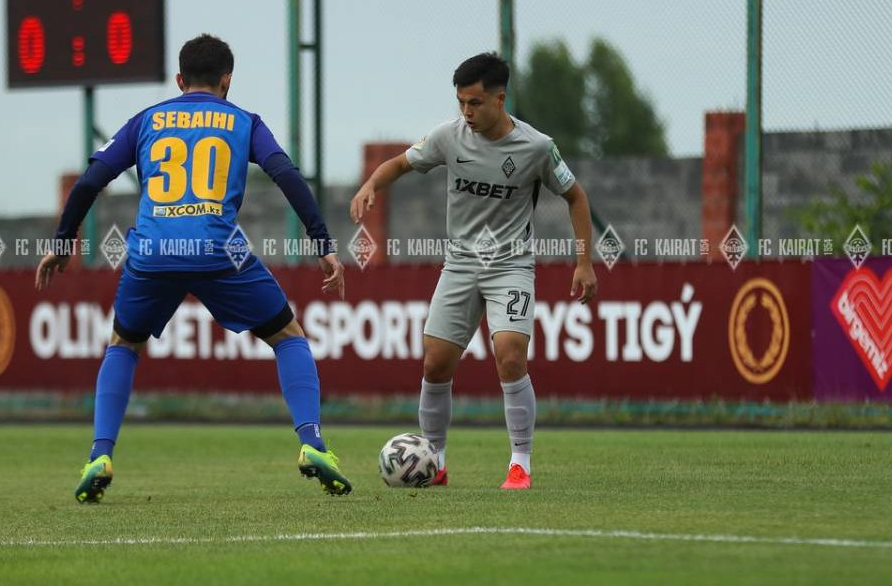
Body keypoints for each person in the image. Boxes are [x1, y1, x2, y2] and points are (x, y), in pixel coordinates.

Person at [36, 34, 352, 502]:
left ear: (180, 79)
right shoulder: (244, 121)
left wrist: (63, 242)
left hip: (152, 252)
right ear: (227, 80)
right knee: (288, 337)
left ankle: (100, 454)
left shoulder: (147, 120)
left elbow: (89, 182)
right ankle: (312, 443)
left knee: (123, 344)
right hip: (220, 249)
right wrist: (323, 243)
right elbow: (287, 175)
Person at [350, 53, 598, 490]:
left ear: (500, 99)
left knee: (509, 356)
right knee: (436, 363)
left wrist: (583, 261)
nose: (466, 112)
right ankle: (436, 461)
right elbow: (401, 164)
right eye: (461, 102)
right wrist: (371, 184)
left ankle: (520, 463)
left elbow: (576, 197)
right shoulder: (449, 137)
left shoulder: (537, 147)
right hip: (460, 264)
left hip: (510, 266)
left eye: (476, 103)